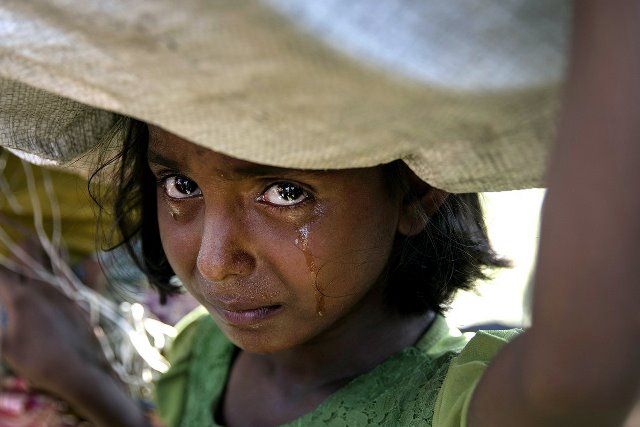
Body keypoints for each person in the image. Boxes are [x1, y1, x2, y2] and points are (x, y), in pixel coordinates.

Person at [0, 1, 638, 427]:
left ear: (416, 193)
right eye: (181, 184)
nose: (215, 263)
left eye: (284, 193)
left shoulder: (452, 409)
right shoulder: (207, 357)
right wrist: (85, 385)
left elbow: (580, 379)